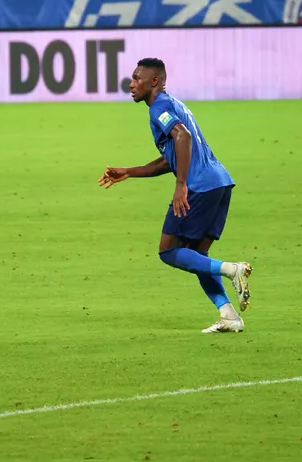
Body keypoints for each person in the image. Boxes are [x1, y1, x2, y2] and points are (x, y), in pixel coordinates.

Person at [99, 57, 251, 334]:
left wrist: (181, 184)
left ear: (154, 81)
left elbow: (183, 137)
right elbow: (171, 157)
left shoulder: (159, 107)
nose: (131, 84)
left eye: (137, 78)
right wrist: (130, 172)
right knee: (197, 255)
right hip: (219, 183)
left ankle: (232, 269)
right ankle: (229, 315)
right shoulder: (174, 104)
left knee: (168, 251)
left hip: (199, 186)